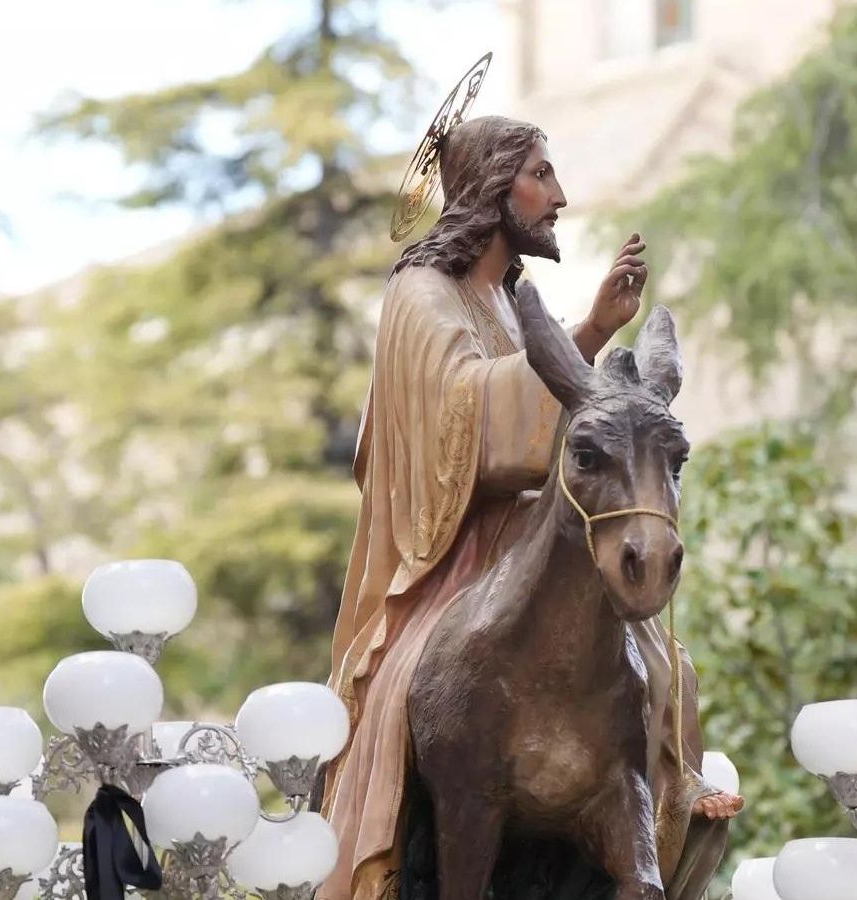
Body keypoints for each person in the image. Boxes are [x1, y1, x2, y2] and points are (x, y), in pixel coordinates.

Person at [318, 115, 742, 900]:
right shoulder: (421, 293)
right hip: (452, 556)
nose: (560, 197)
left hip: (541, 533)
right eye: (541, 176)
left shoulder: (514, 301)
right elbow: (465, 420)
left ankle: (673, 794)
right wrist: (583, 332)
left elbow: (573, 419)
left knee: (661, 657)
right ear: (491, 185)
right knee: (407, 690)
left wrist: (598, 336)